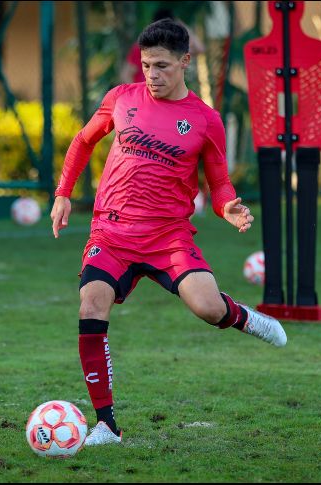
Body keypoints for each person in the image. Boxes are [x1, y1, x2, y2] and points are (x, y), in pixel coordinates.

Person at [50, 19, 287, 447]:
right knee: (91, 301)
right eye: (145, 66)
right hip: (113, 231)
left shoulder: (205, 120)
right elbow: (83, 142)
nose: (152, 75)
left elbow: (219, 184)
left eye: (161, 65)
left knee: (207, 308)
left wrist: (227, 206)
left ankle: (246, 318)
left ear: (185, 62)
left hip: (168, 237)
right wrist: (63, 193)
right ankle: (106, 424)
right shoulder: (121, 99)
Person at [120, 9, 205, 85]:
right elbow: (126, 74)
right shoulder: (142, 46)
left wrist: (182, 26)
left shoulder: (174, 47)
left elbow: (199, 49)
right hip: (146, 96)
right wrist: (138, 96)